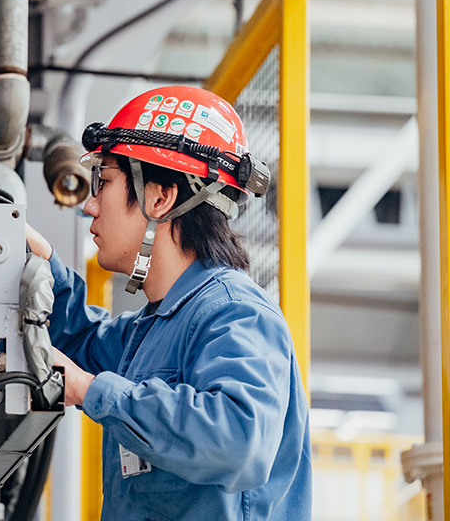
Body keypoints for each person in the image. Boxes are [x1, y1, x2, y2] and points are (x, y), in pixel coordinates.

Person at [26, 85, 311, 521]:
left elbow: (238, 437)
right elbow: (80, 340)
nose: (89, 206)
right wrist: (42, 263)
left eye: (104, 183)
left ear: (160, 197)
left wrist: (89, 389)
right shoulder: (155, 328)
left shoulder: (236, 313)